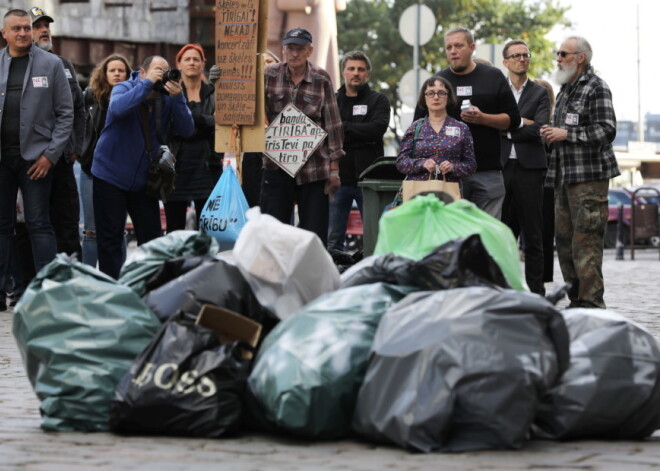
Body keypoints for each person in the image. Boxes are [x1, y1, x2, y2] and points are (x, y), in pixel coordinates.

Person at [92, 55, 194, 279]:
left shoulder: (167, 97)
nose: (162, 75)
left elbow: (187, 130)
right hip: (110, 174)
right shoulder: (124, 87)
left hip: (143, 180)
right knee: (110, 237)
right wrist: (146, 86)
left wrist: (178, 98)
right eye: (158, 70)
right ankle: (113, 288)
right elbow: (117, 109)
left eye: (165, 71)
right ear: (143, 72)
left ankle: (147, 286)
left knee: (151, 237)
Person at [0, 9, 73, 307]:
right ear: (4, 33)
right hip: (2, 160)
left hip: (36, 160)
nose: (23, 33)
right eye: (16, 29)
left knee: (39, 224)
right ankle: (6, 292)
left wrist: (50, 156)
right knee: (2, 227)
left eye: (26, 28)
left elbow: (66, 114)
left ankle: (46, 294)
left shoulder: (52, 64)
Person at [540, 36, 619, 308]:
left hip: (589, 180)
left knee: (586, 242)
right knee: (563, 242)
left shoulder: (596, 87)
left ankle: (592, 303)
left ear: (580, 58)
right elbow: (563, 133)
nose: (558, 58)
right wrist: (550, 135)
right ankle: (576, 300)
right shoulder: (564, 90)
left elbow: (607, 130)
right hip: (563, 177)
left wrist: (566, 133)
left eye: (563, 53)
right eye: (558, 53)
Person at [414, 27, 520, 219]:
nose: (453, 51)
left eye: (458, 46)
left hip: (487, 171)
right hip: (447, 174)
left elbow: (513, 120)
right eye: (448, 47)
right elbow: (418, 127)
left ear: (472, 47)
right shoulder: (437, 82)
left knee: (486, 234)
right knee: (450, 236)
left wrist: (483, 118)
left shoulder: (493, 76)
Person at [262, 27, 344, 244]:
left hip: (314, 169)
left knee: (314, 233)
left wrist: (334, 170)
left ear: (310, 51)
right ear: (283, 49)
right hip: (277, 165)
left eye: (300, 49)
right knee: (274, 229)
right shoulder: (269, 75)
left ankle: (312, 275)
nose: (295, 54)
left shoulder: (321, 78)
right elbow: (251, 109)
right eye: (290, 48)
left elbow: (333, 124)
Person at [499, 39, 549, 294]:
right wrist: (522, 124)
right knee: (503, 233)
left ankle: (537, 294)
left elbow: (539, 129)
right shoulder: (498, 90)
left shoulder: (539, 92)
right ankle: (506, 292)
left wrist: (508, 128)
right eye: (516, 55)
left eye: (525, 55)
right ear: (505, 62)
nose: (522, 59)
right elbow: (492, 126)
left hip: (531, 170)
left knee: (533, 237)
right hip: (503, 167)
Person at [327, 50, 390, 251]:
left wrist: (342, 128)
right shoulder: (332, 101)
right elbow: (325, 133)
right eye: (351, 68)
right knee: (333, 238)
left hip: (370, 182)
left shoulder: (379, 100)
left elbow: (377, 130)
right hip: (338, 179)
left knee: (377, 235)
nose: (356, 73)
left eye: (361, 69)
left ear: (368, 74)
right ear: (344, 72)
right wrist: (361, 133)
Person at [79, 54, 132, 267]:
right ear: (104, 73)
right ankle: (87, 281)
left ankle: (118, 279)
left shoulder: (133, 99)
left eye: (121, 70)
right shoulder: (90, 97)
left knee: (117, 230)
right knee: (91, 230)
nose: (117, 74)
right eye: (113, 70)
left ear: (128, 75)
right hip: (90, 169)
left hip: (120, 173)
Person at [164, 44, 222, 231]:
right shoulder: (168, 93)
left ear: (203, 63)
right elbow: (171, 127)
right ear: (178, 64)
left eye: (196, 59)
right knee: (174, 228)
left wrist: (189, 119)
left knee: (208, 227)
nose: (192, 63)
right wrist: (206, 122)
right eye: (187, 59)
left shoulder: (213, 93)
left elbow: (221, 123)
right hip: (176, 168)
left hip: (207, 167)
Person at [397, 76, 476, 187]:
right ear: (424, 98)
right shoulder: (415, 128)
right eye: (430, 93)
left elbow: (471, 165)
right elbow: (401, 162)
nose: (436, 97)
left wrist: (453, 167)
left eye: (441, 93)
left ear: (448, 97)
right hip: (418, 193)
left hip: (450, 192)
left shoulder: (461, 128)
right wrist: (422, 163)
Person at [241, 50, 280, 207]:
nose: (265, 66)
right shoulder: (244, 93)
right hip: (252, 153)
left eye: (269, 61)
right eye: (260, 63)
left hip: (281, 153)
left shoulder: (290, 90)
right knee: (253, 205)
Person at [534, 78, 556, 284]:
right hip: (526, 175)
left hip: (546, 181)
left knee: (543, 231)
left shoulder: (552, 122)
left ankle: (542, 277)